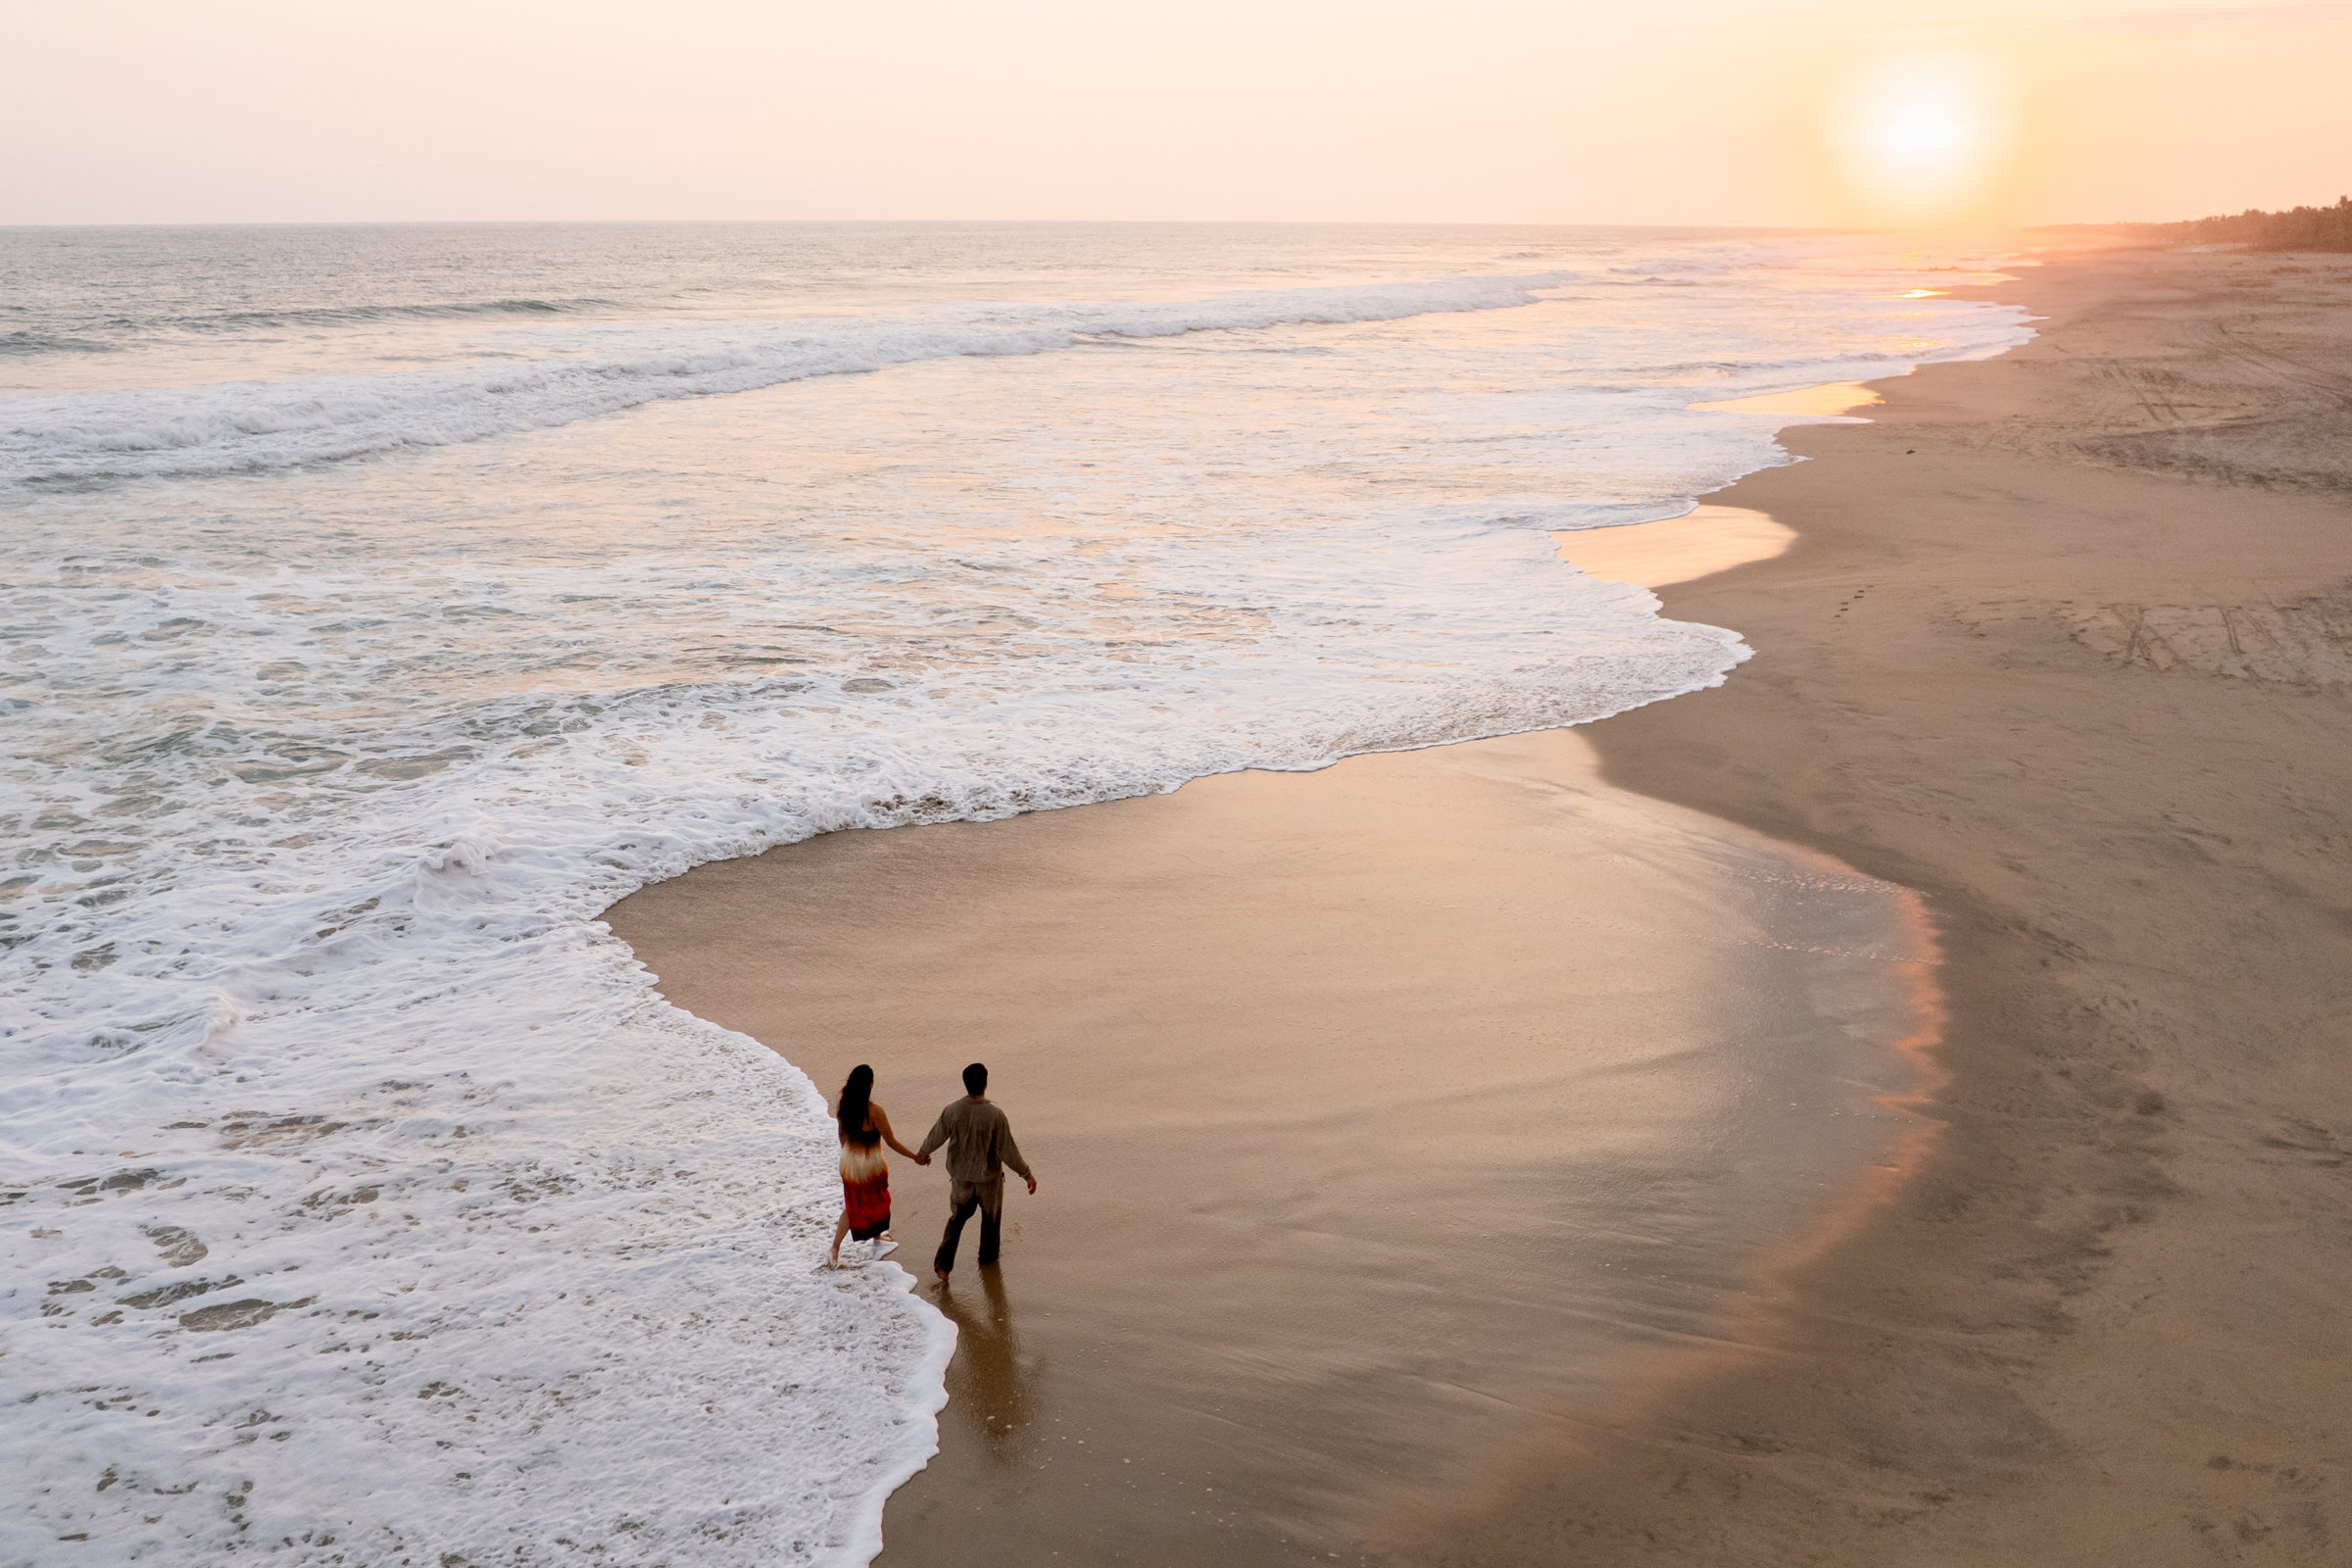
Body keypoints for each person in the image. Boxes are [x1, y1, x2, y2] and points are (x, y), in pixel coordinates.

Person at [918, 1061, 1036, 1281]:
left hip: (961, 1179)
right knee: (991, 1222)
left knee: (957, 1220)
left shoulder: (952, 1111)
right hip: (988, 1181)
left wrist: (923, 1152)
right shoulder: (994, 1114)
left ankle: (943, 1266)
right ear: (986, 1083)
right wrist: (1026, 1173)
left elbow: (936, 1135)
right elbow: (1007, 1150)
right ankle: (987, 1262)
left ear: (965, 1084)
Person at [828, 1063, 923, 1268]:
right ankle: (878, 1236)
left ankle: (835, 1247)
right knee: (879, 1199)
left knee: (853, 1206)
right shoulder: (875, 1111)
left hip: (849, 1162)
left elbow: (841, 1135)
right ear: (870, 1085)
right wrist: (914, 1156)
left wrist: (850, 1155)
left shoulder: (843, 1107)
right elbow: (891, 1141)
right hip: (871, 1164)